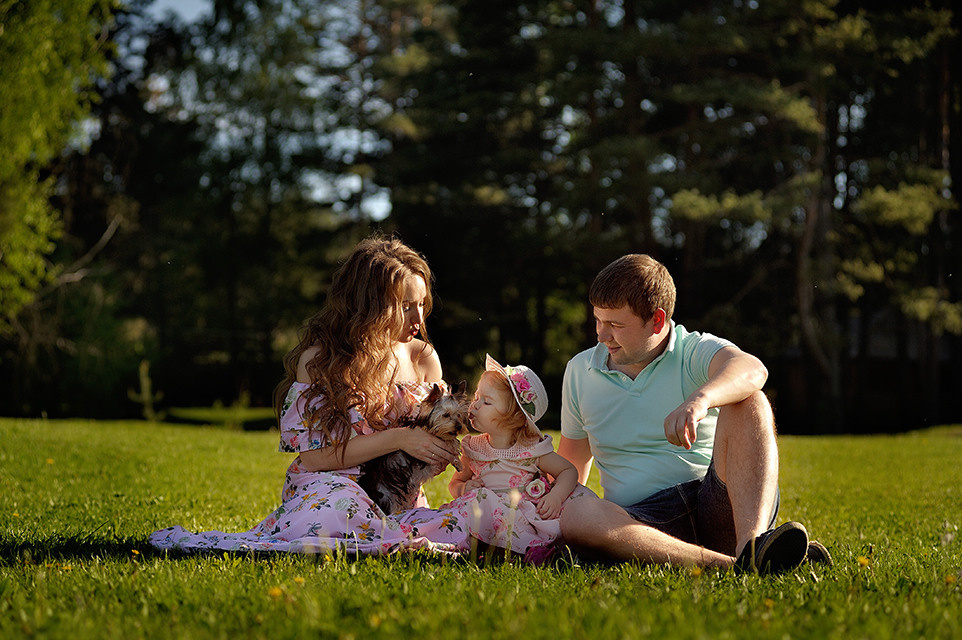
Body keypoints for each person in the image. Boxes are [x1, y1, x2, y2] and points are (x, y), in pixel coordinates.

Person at [149, 236, 471, 555]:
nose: (418, 319)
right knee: (337, 510)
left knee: (468, 519)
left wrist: (443, 452)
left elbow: (434, 436)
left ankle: (386, 533)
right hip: (328, 489)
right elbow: (315, 458)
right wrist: (400, 438)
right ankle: (379, 534)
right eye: (404, 307)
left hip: (395, 496)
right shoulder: (321, 362)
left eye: (421, 305)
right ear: (369, 305)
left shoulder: (422, 358)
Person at [557, 254, 830, 573]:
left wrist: (700, 399)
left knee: (750, 400)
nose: (602, 336)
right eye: (598, 321)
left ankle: (751, 545)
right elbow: (570, 468)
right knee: (575, 514)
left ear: (657, 321)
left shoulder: (692, 350)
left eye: (616, 325)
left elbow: (752, 369)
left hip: (714, 504)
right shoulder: (579, 371)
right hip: (640, 526)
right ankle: (740, 565)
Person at [444, 355, 594, 563]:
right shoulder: (473, 448)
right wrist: (464, 488)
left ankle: (531, 551)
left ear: (515, 418)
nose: (475, 405)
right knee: (477, 505)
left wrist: (555, 497)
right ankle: (482, 547)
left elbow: (568, 471)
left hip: (522, 517)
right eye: (476, 397)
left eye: (486, 401)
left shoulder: (531, 450)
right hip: (484, 518)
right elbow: (455, 483)